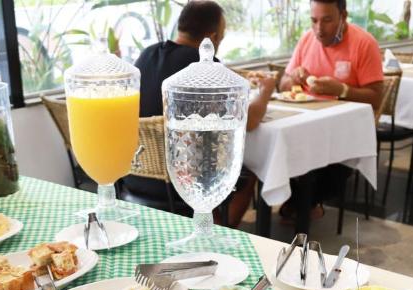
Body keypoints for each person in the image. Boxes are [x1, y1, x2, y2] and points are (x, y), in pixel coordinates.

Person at [129, 0, 274, 226]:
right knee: (253, 167)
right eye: (221, 37)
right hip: (183, 185)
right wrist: (265, 92)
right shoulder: (200, 67)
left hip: (133, 174)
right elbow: (251, 120)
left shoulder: (147, 55)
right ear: (212, 38)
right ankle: (221, 231)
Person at [276, 0, 384, 222]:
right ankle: (299, 200)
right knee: (277, 147)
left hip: (344, 130)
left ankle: (303, 202)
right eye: (314, 20)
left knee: (326, 164)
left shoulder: (364, 43)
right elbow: (283, 83)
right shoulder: (307, 39)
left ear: (343, 15)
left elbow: (376, 97)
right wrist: (293, 79)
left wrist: (342, 89)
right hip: (304, 123)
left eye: (327, 20)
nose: (318, 29)